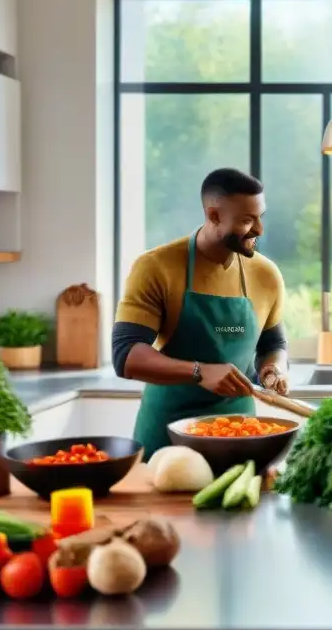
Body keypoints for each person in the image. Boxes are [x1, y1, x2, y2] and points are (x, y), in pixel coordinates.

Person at [111, 168, 290, 459]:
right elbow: (126, 354)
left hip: (240, 434)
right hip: (168, 438)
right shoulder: (156, 267)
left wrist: (273, 369)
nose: (259, 229)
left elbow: (273, 344)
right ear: (214, 216)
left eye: (260, 217)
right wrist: (199, 371)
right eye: (247, 220)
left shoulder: (266, 274)